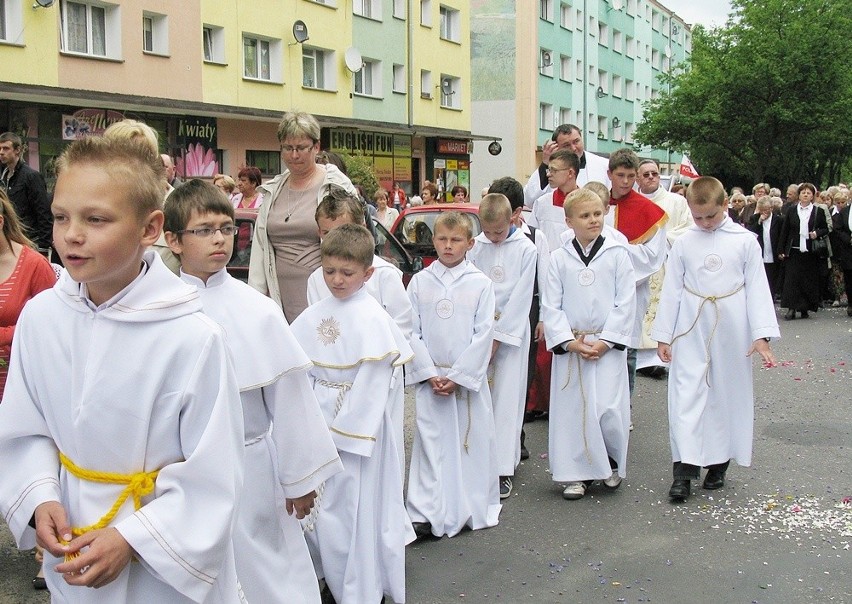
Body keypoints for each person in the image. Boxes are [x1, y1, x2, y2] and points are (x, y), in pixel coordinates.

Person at [0, 136, 246, 601]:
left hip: (160, 562)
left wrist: (134, 538)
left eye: (96, 219)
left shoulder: (192, 338)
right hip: (74, 541)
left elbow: (214, 472)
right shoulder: (42, 319)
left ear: (150, 227)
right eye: (60, 217)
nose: (72, 234)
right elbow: (25, 428)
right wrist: (40, 496)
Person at [164, 179, 343, 603]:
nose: (219, 240)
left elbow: (291, 399)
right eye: (204, 230)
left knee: (269, 570)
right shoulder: (158, 309)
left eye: (226, 228)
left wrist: (300, 479)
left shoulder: (257, 310)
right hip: (182, 471)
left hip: (252, 465)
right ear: (172, 239)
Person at [290, 224, 414, 604]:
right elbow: (298, 374)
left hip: (355, 435)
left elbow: (373, 386)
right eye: (329, 271)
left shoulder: (374, 319)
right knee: (313, 514)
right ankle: (318, 575)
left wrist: (343, 437)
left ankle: (356, 586)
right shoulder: (314, 315)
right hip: (316, 419)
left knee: (349, 512)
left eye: (347, 272)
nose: (337, 280)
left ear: (367, 273)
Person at [652, 176, 779, 503]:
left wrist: (761, 335)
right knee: (686, 394)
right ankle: (683, 470)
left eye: (711, 216)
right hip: (690, 327)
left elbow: (757, 289)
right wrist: (664, 335)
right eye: (698, 217)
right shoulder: (683, 243)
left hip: (731, 329)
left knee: (725, 393)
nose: (705, 223)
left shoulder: (745, 241)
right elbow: (672, 290)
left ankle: (719, 463)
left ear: (725, 205)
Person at [405, 211, 501, 538]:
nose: (448, 246)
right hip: (432, 379)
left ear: (470, 243)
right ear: (432, 240)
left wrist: (459, 375)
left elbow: (484, 332)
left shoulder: (481, 284)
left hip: (463, 381)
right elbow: (410, 330)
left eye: (456, 240)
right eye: (442, 239)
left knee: (465, 444)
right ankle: (423, 512)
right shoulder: (420, 282)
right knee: (430, 446)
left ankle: (466, 504)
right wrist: (428, 372)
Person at [306, 190, 413, 477]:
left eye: (340, 231)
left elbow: (401, 326)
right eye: (325, 233)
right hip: (329, 380)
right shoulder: (319, 277)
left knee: (374, 460)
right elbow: (318, 328)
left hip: (375, 378)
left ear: (360, 228)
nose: (333, 240)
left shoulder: (384, 274)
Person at [542, 188, 635, 500]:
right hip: (574, 344)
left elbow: (626, 301)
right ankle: (576, 473)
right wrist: (568, 342)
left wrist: (608, 340)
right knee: (574, 410)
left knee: (607, 406)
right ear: (569, 222)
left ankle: (609, 462)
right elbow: (551, 305)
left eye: (597, 213)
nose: (593, 220)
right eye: (585, 216)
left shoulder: (618, 253)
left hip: (606, 344)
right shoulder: (558, 258)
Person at [248, 111, 357, 323]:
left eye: (301, 148)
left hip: (327, 294)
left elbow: (356, 241)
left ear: (316, 147)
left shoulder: (336, 185)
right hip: (279, 299)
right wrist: (256, 296)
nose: (294, 155)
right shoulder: (273, 190)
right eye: (288, 148)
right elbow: (260, 248)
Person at [0, 189, 57, 590]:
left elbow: (55, 325)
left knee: (36, 463)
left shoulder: (33, 265)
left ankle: (45, 552)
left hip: (24, 385)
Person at [467, 193, 537, 499]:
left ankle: (502, 470)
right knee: (479, 398)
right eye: (488, 231)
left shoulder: (526, 249)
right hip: (480, 329)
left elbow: (523, 296)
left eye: (499, 232)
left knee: (507, 398)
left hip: (510, 334)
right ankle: (476, 461)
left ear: (512, 220)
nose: (494, 238)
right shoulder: (476, 246)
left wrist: (499, 336)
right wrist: (481, 333)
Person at [607, 148, 668, 402]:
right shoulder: (595, 203)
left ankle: (625, 406)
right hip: (596, 290)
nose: (625, 182)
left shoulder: (649, 211)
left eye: (631, 176)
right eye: (620, 175)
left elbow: (654, 257)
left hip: (632, 288)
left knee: (627, 349)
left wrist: (615, 253)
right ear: (609, 174)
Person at [636, 159, 694, 375]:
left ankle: (661, 359)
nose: (651, 177)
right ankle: (641, 360)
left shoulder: (676, 202)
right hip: (642, 266)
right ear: (638, 178)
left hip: (667, 264)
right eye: (646, 174)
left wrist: (661, 238)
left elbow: (688, 228)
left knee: (665, 306)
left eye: (654, 173)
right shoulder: (633, 202)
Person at [103, 119, 182, 275]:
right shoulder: (96, 206)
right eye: (122, 155)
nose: (132, 163)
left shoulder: (178, 204)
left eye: (142, 154)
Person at [523, 124, 611, 208]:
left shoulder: (604, 165)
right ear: (556, 147)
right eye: (566, 145)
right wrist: (546, 164)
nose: (573, 148)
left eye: (576, 141)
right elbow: (529, 199)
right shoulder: (550, 170)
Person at [778, 182, 829, 319]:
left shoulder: (819, 211)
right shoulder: (792, 210)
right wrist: (781, 249)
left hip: (810, 251)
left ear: (812, 196)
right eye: (803, 192)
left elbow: (825, 228)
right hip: (794, 250)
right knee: (792, 280)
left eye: (808, 193)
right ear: (799, 195)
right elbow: (785, 230)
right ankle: (791, 308)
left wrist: (816, 233)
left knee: (808, 281)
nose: (806, 195)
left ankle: (805, 308)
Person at [0, 132, 52, 253]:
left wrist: (43, 247)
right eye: (0, 148)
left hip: (29, 241)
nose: (1, 152)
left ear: (17, 150)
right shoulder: (4, 177)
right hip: (10, 239)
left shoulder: (31, 176)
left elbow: (43, 213)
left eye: (6, 148)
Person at [527, 150, 580, 252]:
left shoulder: (587, 204)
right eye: (549, 170)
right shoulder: (542, 203)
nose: (548, 175)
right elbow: (531, 238)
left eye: (554, 170)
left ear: (570, 173)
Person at [747, 196, 783, 300]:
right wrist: (759, 221)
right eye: (762, 210)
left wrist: (781, 251)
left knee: (773, 276)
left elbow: (781, 236)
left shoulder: (779, 219)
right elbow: (750, 233)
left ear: (771, 208)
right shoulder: (754, 218)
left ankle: (772, 296)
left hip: (773, 252)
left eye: (766, 210)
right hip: (761, 252)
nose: (764, 213)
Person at [830, 189, 852, 315]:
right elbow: (838, 229)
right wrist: (848, 239)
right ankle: (850, 303)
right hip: (848, 249)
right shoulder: (845, 212)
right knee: (849, 278)